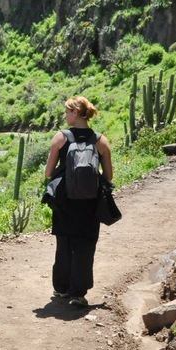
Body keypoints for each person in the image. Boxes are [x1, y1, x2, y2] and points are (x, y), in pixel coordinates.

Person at [43, 95, 113, 307]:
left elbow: (48, 172)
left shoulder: (61, 138)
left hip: (65, 200)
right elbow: (108, 175)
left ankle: (61, 288)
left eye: (67, 111)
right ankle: (78, 293)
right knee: (85, 244)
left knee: (64, 242)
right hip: (90, 202)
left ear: (75, 112)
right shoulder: (101, 141)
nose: (66, 115)